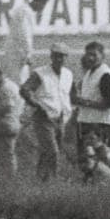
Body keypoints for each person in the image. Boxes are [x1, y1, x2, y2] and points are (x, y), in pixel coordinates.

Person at [20, 42, 75, 181]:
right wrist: (35, 103)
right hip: (44, 117)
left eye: (62, 56)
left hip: (61, 118)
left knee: (47, 151)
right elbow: (25, 89)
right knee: (53, 151)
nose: (59, 59)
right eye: (56, 56)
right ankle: (54, 180)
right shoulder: (40, 73)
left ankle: (40, 180)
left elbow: (72, 94)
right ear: (51, 56)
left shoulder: (68, 74)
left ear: (66, 57)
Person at [72, 41, 110, 154]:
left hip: (99, 124)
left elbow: (108, 103)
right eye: (88, 54)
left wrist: (84, 102)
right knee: (85, 160)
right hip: (88, 121)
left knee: (97, 161)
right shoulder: (90, 72)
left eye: (94, 55)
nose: (90, 58)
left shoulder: (105, 75)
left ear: (102, 56)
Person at [2, 0, 49, 86]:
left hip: (15, 50)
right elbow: (25, 34)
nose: (42, 8)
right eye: (43, 5)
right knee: (19, 80)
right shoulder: (25, 12)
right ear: (38, 1)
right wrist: (28, 54)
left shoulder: (23, 10)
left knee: (18, 78)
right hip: (18, 51)